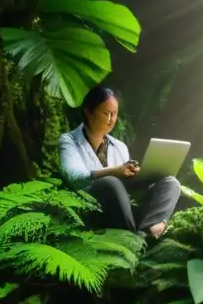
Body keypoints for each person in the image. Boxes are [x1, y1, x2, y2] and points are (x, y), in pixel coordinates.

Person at [58, 85, 180, 239]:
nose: (111, 120)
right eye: (106, 113)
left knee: (170, 182)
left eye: (114, 114)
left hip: (122, 211)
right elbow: (74, 177)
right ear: (88, 113)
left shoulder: (119, 146)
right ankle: (131, 239)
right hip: (89, 208)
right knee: (110, 183)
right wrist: (113, 171)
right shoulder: (69, 141)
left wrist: (134, 174)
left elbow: (126, 189)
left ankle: (150, 231)